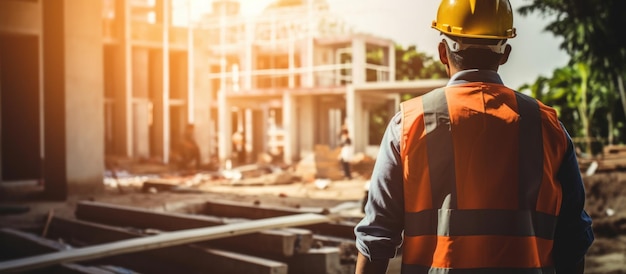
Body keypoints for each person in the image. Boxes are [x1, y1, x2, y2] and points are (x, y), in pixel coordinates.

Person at [354, 1, 594, 273]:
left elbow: (377, 237)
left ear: (443, 52)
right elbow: (574, 238)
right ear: (505, 54)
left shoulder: (408, 124)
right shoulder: (549, 127)